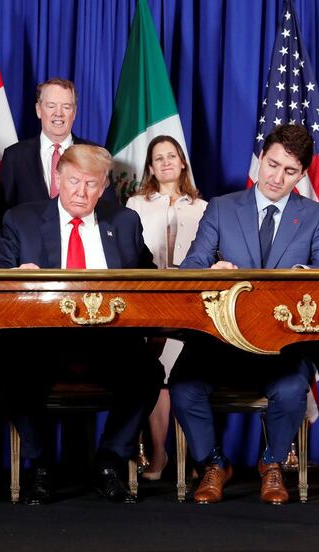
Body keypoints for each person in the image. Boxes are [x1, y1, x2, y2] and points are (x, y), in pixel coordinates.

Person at [171, 124, 319, 505]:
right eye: (272, 164)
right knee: (183, 388)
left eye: (289, 171)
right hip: (221, 342)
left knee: (291, 390)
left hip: (282, 346)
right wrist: (209, 272)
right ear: (261, 159)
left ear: (301, 175)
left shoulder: (315, 216)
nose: (277, 177)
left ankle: (271, 464)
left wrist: (303, 276)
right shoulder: (221, 207)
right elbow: (191, 267)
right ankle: (214, 464)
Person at [0, 144, 164, 505]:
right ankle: (41, 467)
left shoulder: (124, 222)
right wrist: (15, 277)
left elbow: (149, 282)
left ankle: (109, 461)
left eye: (91, 184)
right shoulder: (22, 220)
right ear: (58, 179)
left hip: (109, 345)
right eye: (73, 181)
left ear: (103, 187)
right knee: (10, 368)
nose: (81, 193)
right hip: (42, 344)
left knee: (148, 372)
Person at [125, 136, 207, 480]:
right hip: (148, 298)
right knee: (154, 375)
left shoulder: (203, 208)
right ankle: (159, 457)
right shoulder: (135, 205)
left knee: (181, 374)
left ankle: (191, 459)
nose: (166, 162)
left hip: (189, 302)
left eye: (171, 156)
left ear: (182, 162)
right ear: (150, 167)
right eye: (158, 158)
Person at [0, 78, 117, 223]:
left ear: (74, 112)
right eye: (51, 106)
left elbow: (109, 210)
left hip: (79, 242)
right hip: (30, 243)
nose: (58, 113)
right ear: (39, 110)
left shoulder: (96, 155)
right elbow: (3, 215)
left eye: (66, 107)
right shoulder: (15, 156)